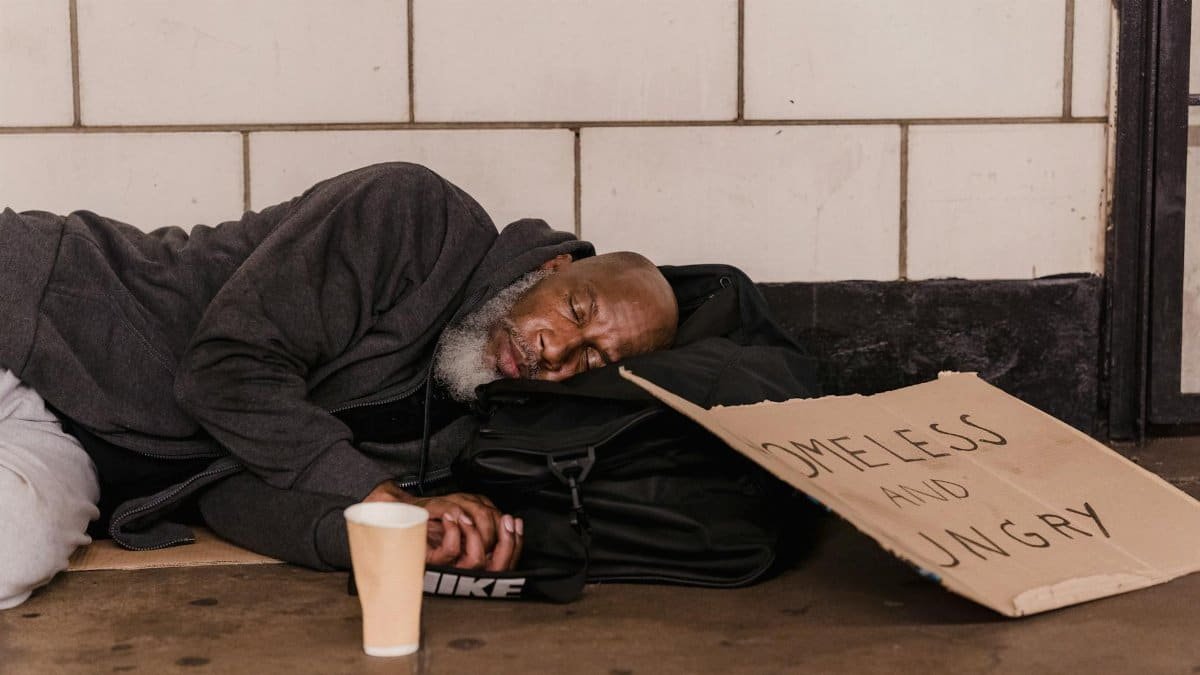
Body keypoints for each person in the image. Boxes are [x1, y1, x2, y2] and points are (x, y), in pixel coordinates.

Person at [0, 162, 678, 609]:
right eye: (577, 311)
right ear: (556, 264)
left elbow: (230, 494)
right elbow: (224, 370)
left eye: (592, 360)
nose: (555, 351)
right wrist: (372, 493)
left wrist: (386, 532)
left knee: (13, 551)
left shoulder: (464, 430)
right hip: (40, 311)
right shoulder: (416, 215)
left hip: (70, 440)